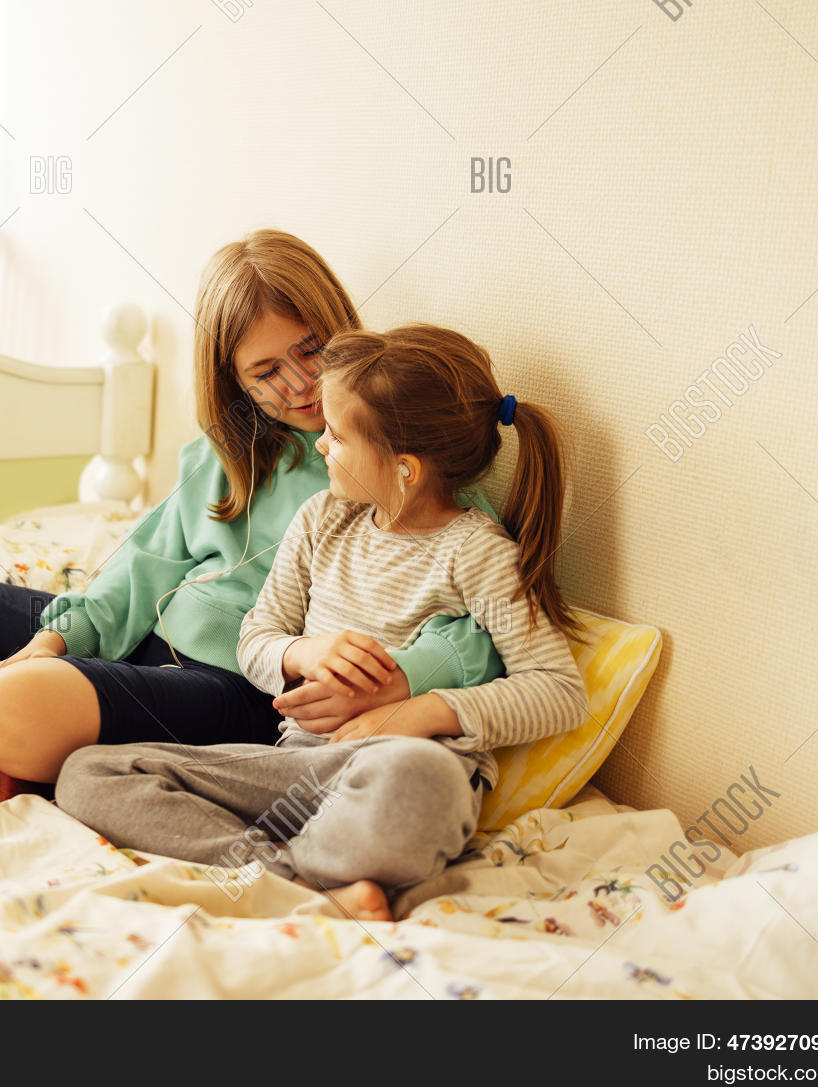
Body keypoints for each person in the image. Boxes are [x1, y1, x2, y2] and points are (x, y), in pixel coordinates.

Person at [0, 233, 502, 806]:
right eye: (266, 372)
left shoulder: (383, 464)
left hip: (233, 687)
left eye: (312, 351)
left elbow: (484, 622)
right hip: (143, 640)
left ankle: (9, 731)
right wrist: (50, 643)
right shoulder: (219, 455)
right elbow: (139, 571)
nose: (300, 384)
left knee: (13, 700)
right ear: (236, 382)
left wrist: (399, 680)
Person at [54, 325, 590, 922]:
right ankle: (301, 881)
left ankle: (297, 873)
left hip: (395, 775)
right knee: (88, 771)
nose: (320, 447)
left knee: (424, 775)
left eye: (336, 437)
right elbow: (256, 638)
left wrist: (421, 712)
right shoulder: (321, 520)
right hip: (297, 771)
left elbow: (558, 691)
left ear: (404, 469)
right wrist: (301, 655)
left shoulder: (477, 552)